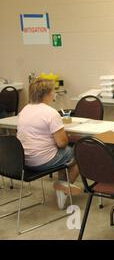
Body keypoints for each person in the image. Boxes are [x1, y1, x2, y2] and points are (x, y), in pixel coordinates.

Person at [16, 78, 82, 209]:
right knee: (80, 154)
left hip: (23, 161)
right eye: (53, 91)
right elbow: (62, 143)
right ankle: (63, 189)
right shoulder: (50, 113)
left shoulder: (24, 110)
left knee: (64, 156)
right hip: (42, 161)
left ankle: (62, 185)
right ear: (46, 94)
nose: (54, 94)